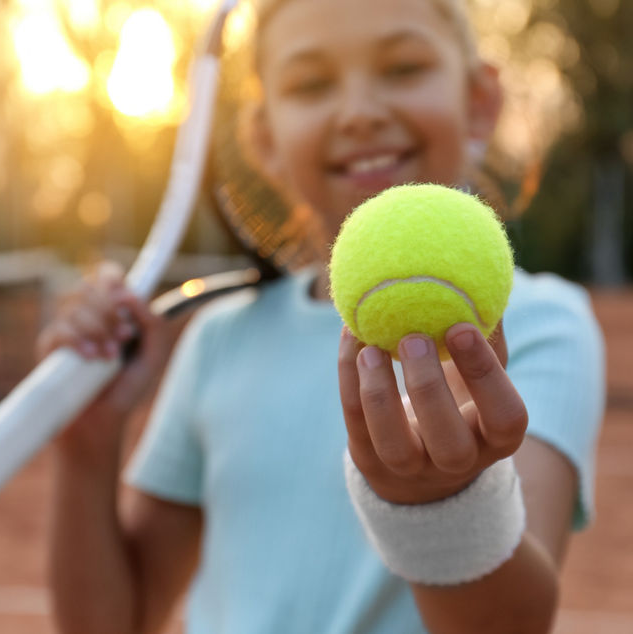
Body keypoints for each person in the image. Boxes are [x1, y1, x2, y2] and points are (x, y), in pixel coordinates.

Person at [36, 0, 606, 632]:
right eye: (311, 84)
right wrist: (87, 446)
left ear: (478, 101)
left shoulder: (546, 323)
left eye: (404, 67)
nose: (360, 112)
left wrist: (441, 509)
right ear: (265, 140)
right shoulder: (217, 341)